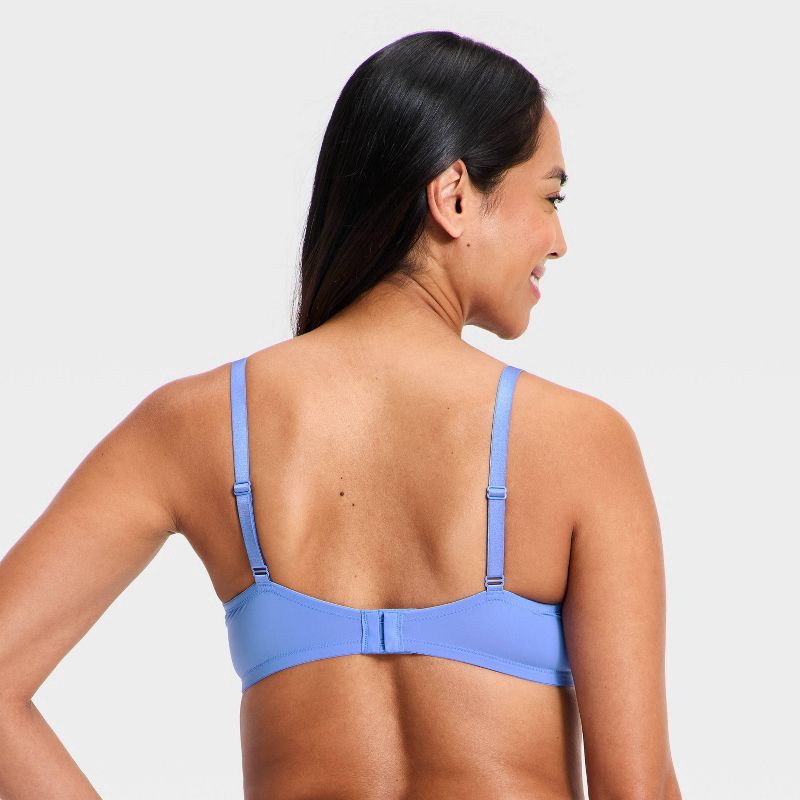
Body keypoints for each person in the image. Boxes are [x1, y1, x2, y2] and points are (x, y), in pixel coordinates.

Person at [0, 30, 682, 800]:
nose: (558, 242)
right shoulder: (581, 443)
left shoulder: (194, 427)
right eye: (551, 198)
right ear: (455, 196)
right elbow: (637, 791)